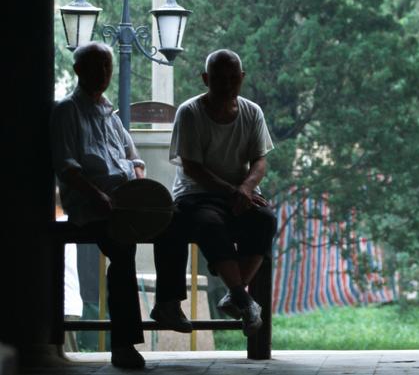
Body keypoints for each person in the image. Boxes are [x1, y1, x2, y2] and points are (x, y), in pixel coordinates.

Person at [50, 42, 192, 370]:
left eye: (106, 67)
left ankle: (168, 303)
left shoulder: (110, 114)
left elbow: (134, 158)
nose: (102, 74)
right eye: (95, 67)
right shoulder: (67, 111)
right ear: (78, 71)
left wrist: (140, 186)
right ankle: (123, 344)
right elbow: (66, 166)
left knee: (177, 220)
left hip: (128, 201)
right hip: (93, 204)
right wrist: (99, 196)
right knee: (123, 250)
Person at [170, 49, 277, 337]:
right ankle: (243, 297)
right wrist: (234, 190)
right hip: (195, 194)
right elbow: (192, 167)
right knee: (210, 223)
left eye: (233, 78)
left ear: (242, 78)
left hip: (238, 193)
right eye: (219, 78)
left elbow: (260, 160)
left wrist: (245, 188)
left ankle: (236, 295)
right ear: (206, 78)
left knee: (265, 219)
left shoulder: (252, 112)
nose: (227, 84)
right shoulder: (190, 112)